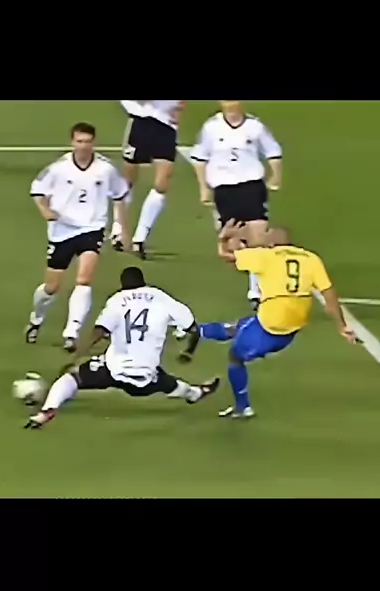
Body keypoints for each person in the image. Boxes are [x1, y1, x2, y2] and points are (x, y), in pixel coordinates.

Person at [177, 222, 359, 419]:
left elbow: (225, 255)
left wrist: (224, 238)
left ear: (271, 243)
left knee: (235, 356)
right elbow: (329, 293)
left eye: (266, 234)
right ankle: (197, 331)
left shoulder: (266, 256)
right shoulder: (310, 258)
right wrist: (341, 326)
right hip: (293, 323)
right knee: (240, 327)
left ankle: (243, 407)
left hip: (272, 324)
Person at [25, 266, 220, 429]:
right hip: (145, 375)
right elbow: (194, 329)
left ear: (123, 284)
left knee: (72, 378)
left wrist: (75, 358)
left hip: (113, 369)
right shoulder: (161, 298)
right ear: (143, 282)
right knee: (167, 383)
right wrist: (188, 351)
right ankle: (196, 393)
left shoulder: (118, 299)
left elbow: (99, 332)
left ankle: (46, 412)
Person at [25, 122, 131, 353]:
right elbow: (37, 190)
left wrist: (121, 228)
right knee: (52, 287)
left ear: (94, 142)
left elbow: (121, 195)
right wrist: (45, 210)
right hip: (62, 230)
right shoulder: (59, 168)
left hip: (92, 228)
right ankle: (36, 319)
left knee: (84, 280)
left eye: (88, 141)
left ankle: (71, 333)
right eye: (79, 141)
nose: (83, 146)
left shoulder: (106, 169)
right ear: (72, 142)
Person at [190, 100, 283, 310]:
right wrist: (204, 188)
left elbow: (273, 151)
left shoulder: (255, 126)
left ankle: (255, 291)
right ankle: (253, 273)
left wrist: (276, 176)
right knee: (234, 245)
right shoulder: (211, 128)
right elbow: (199, 158)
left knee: (258, 237)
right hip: (225, 189)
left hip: (252, 186)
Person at [111, 100, 186, 259]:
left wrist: (179, 107)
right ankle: (118, 230)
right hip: (141, 121)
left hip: (166, 126)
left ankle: (140, 239)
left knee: (162, 184)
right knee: (127, 182)